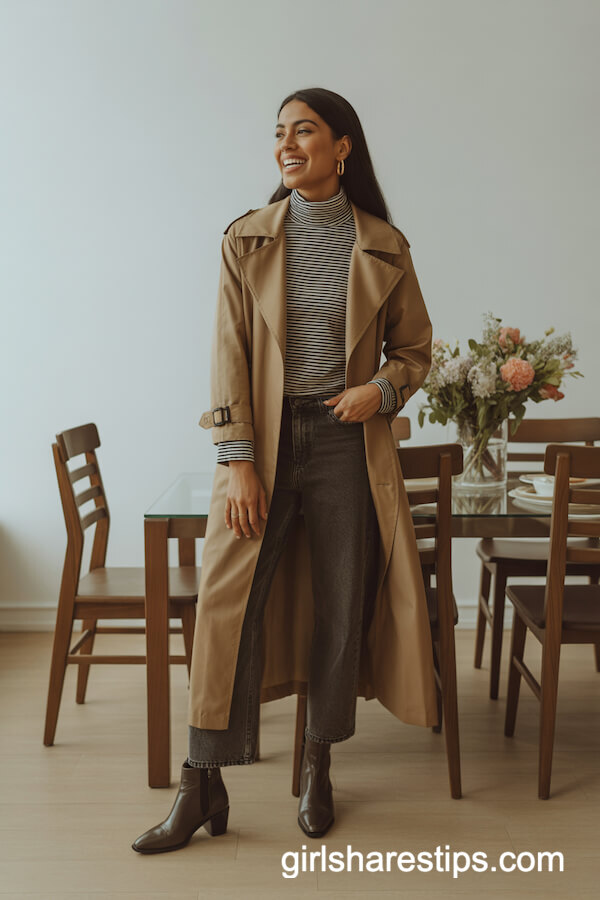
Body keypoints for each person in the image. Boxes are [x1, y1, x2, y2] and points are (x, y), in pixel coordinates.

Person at [132, 87, 436, 855]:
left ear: (343, 148)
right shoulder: (247, 240)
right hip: (262, 444)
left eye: (304, 131)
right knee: (226, 606)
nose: (286, 144)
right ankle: (201, 781)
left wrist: (383, 390)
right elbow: (228, 354)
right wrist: (236, 462)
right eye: (279, 133)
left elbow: (415, 353)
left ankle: (317, 763)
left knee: (341, 604)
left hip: (346, 443)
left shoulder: (387, 247)